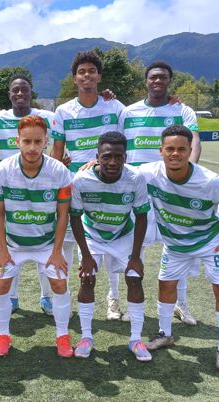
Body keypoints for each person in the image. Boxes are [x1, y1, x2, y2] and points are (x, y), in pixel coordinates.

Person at [139, 125, 219, 372]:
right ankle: (165, 334)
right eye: (170, 149)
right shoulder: (148, 173)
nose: (175, 154)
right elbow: (120, 172)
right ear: (161, 151)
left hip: (211, 242)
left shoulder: (209, 181)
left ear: (190, 151)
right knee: (165, 286)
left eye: (181, 149)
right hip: (175, 244)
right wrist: (93, 164)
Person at [119, 60, 202, 326]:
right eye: (153, 77)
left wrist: (187, 175)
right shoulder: (128, 112)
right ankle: (129, 304)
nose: (157, 81)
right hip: (137, 189)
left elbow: (194, 142)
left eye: (163, 77)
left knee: (176, 246)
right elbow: (118, 146)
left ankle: (180, 303)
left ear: (169, 81)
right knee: (135, 248)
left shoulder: (182, 110)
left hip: (171, 189)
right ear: (146, 81)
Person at [51, 51, 127, 322]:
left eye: (91, 71)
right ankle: (65, 298)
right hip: (75, 185)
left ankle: (113, 299)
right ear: (74, 78)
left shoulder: (114, 106)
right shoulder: (63, 111)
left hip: (109, 184)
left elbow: (123, 142)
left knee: (109, 242)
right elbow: (57, 152)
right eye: (81, 72)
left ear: (99, 76)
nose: (86, 75)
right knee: (68, 243)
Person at [0, 115, 73, 358]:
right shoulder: (2, 170)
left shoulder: (59, 171)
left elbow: (63, 215)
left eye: (38, 142)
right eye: (27, 141)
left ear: (46, 141)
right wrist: (3, 250)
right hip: (13, 244)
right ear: (17, 141)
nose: (32, 148)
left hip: (46, 243)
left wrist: (57, 252)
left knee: (59, 283)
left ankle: (62, 336)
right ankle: (3, 335)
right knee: (1, 284)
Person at [70, 132, 151, 361]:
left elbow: (141, 217)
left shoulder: (135, 178)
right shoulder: (81, 180)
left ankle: (136, 339)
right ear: (97, 157)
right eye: (107, 156)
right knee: (87, 278)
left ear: (126, 157)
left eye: (118, 157)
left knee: (135, 278)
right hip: (92, 235)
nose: (113, 162)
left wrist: (135, 256)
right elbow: (75, 217)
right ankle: (86, 337)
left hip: (123, 234)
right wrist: (86, 254)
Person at [0, 73, 55, 315]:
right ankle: (12, 297)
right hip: (10, 187)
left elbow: (61, 137)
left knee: (41, 237)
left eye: (24, 89)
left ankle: (46, 297)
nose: (19, 93)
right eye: (15, 90)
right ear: (9, 93)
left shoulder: (47, 116)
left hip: (41, 184)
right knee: (12, 241)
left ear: (31, 92)